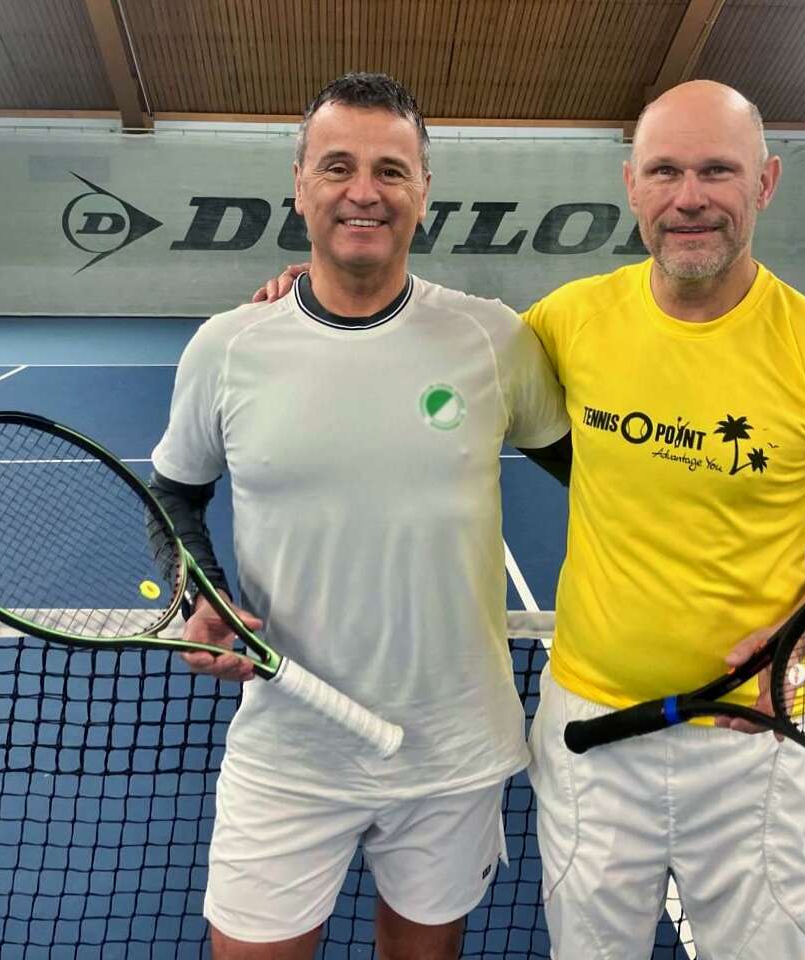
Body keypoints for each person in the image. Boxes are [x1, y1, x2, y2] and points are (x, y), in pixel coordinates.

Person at [255, 79, 805, 959]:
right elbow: (430, 347)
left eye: (717, 171)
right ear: (631, 185)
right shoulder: (569, 322)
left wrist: (796, 630)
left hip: (756, 740)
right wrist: (311, 297)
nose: (689, 198)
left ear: (764, 183)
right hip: (589, 735)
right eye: (664, 171)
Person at [149, 73, 571, 960]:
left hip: (451, 752)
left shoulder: (492, 339)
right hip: (289, 750)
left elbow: (601, 476)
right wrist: (203, 596)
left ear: (424, 189)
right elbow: (175, 491)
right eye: (337, 166)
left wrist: (747, 522)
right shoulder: (228, 346)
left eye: (391, 169)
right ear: (299, 184)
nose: (363, 191)